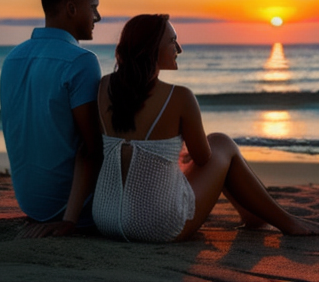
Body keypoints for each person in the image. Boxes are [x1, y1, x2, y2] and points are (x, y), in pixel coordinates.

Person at [92, 14, 319, 242]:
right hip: (157, 224)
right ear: (151, 48)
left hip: (106, 219)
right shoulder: (180, 97)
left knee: (209, 153)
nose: (178, 48)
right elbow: (203, 158)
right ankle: (284, 221)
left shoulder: (104, 87)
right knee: (221, 143)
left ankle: (258, 218)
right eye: (172, 41)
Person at [0, 0, 103, 238]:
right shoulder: (81, 61)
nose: (98, 17)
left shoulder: (13, 58)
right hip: (76, 210)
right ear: (71, 8)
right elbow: (93, 149)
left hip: (32, 206)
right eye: (93, 8)